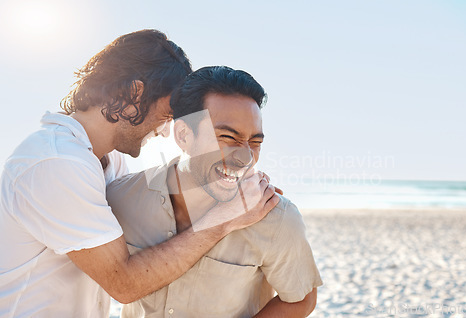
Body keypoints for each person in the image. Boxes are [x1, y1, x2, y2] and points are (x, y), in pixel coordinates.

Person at [0, 30, 279, 318]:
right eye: (168, 114)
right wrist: (224, 219)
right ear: (136, 93)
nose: (166, 130)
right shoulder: (56, 163)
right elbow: (124, 283)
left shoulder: (108, 159)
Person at [106, 66, 323, 317]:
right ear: (184, 135)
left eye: (255, 142)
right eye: (228, 138)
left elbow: (301, 299)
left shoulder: (278, 217)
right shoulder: (121, 200)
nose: (245, 157)